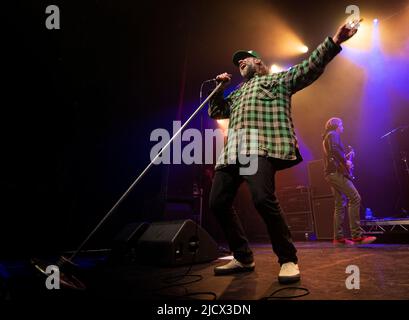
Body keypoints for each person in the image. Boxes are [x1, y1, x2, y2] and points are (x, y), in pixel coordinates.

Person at [208, 21, 361, 284]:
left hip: (259, 148)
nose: (241, 63)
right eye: (238, 62)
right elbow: (216, 111)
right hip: (232, 153)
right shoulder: (235, 93)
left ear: (258, 63)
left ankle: (288, 258)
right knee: (217, 203)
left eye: (245, 59)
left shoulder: (276, 80)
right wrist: (220, 89)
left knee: (261, 199)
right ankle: (243, 257)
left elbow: (308, 68)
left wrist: (334, 41)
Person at [322, 117, 376, 245]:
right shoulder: (333, 134)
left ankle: (338, 238)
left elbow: (332, 153)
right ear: (336, 126)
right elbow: (334, 150)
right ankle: (357, 235)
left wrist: (345, 157)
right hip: (335, 173)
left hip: (330, 173)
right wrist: (346, 161)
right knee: (355, 197)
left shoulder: (327, 136)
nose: (343, 127)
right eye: (341, 125)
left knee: (340, 204)